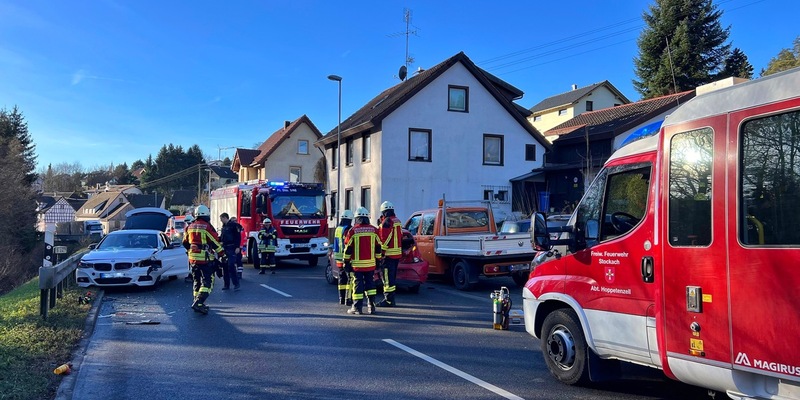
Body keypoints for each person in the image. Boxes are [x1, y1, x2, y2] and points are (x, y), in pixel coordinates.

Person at [182, 205, 224, 314]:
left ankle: (197, 301)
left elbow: (185, 242)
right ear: (206, 215)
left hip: (192, 259)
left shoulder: (189, 226)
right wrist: (222, 254)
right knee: (208, 282)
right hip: (204, 259)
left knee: (197, 281)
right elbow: (215, 242)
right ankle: (198, 303)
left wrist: (191, 251)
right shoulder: (206, 227)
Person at [343, 207, 382, 315]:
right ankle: (371, 307)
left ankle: (357, 308)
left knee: (358, 285)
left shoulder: (353, 231)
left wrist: (346, 262)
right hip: (370, 264)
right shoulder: (374, 230)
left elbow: (348, 248)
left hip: (357, 265)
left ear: (357, 218)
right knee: (370, 285)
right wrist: (378, 260)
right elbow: (379, 247)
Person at [377, 201, 402, 307]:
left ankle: (388, 300)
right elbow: (400, 236)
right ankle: (391, 299)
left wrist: (381, 253)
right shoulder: (397, 220)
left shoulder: (387, 222)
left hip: (389, 255)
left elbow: (385, 239)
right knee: (392, 277)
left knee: (387, 278)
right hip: (396, 254)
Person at [331, 209, 354, 305]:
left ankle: (341, 298)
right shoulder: (348, 229)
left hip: (338, 258)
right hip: (346, 258)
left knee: (341, 278)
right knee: (350, 278)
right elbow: (347, 245)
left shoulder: (338, 228)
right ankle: (348, 299)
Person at [219, 213, 242, 291]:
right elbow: (222, 237)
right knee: (225, 266)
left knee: (231, 265)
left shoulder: (233, 225)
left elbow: (238, 236)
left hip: (232, 247)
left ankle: (236, 283)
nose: (220, 220)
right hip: (225, 248)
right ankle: (226, 285)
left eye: (221, 219)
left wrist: (237, 247)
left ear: (225, 217)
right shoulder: (224, 227)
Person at [182, 214, 196, 283]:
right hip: (198, 248)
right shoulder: (198, 227)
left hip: (191, 248)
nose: (188, 224)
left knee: (192, 263)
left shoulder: (188, 228)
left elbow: (185, 241)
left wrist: (187, 249)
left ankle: (192, 276)